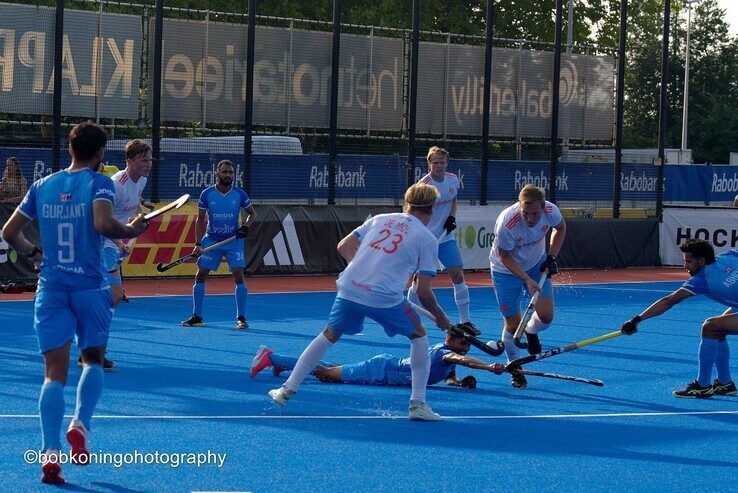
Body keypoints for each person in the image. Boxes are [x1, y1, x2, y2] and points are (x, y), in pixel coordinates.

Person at [1, 121, 148, 484]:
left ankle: (50, 455)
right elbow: (102, 223)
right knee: (93, 359)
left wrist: (35, 253)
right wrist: (132, 230)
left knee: (53, 373)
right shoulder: (99, 183)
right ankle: (80, 423)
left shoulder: (42, 185)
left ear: (70, 149)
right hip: (90, 287)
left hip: (51, 288)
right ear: (100, 154)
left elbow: (8, 233)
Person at [267, 183, 453, 421]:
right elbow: (424, 292)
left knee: (328, 335)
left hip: (349, 289)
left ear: (407, 203)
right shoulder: (427, 238)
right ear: (433, 208)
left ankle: (287, 389)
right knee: (419, 336)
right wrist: (441, 317)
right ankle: (418, 403)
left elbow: (343, 246)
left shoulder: (379, 218)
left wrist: (362, 269)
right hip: (385, 298)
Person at [621, 239, 738, 398]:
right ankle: (725, 383)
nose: (685, 266)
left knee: (710, 327)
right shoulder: (728, 256)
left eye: (688, 261)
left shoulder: (702, 279)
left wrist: (637, 319)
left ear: (702, 260)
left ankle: (702, 385)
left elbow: (668, 301)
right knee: (719, 327)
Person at [76, 141, 155, 371]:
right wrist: (120, 242)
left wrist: (141, 214)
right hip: (99, 241)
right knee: (111, 295)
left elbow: (134, 203)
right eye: (143, 159)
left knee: (112, 297)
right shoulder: (114, 185)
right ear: (129, 161)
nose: (148, 164)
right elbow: (101, 220)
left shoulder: (141, 179)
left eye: (150, 159)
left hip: (112, 242)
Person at [489, 184, 566, 389]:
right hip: (505, 271)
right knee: (513, 326)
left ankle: (531, 330)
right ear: (520, 207)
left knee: (546, 317)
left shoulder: (551, 211)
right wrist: (526, 280)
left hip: (535, 264)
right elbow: (504, 257)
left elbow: (561, 228)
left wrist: (551, 257)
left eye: (535, 214)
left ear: (543, 207)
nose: (530, 218)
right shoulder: (507, 223)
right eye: (526, 213)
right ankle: (515, 368)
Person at [250, 330, 505, 387]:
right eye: (464, 342)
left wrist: (461, 384)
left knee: (327, 368)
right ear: (452, 340)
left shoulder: (449, 359)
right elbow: (464, 361)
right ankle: (270, 357)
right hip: (381, 370)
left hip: (384, 367)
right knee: (324, 374)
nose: (466, 347)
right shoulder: (445, 354)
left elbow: (449, 376)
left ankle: (282, 363)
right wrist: (490, 365)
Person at [181, 159, 256, 329]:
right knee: (200, 275)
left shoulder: (239, 194)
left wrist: (245, 227)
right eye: (224, 172)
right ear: (217, 174)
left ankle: (241, 318)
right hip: (212, 240)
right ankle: (197, 316)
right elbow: (200, 220)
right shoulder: (207, 194)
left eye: (230, 172)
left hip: (233, 241)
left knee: (238, 274)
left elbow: (253, 214)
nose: (228, 175)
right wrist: (198, 243)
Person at [407, 146, 471, 324]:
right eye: (435, 162)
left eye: (442, 162)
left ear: (447, 163)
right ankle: (409, 318)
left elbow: (453, 201)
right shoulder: (423, 187)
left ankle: (465, 321)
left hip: (445, 238)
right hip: (425, 241)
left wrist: (451, 217)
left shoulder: (453, 180)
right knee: (419, 282)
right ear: (429, 164)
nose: (439, 166)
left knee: (458, 275)